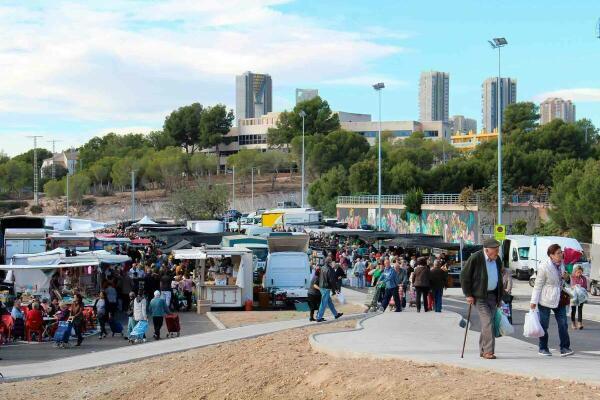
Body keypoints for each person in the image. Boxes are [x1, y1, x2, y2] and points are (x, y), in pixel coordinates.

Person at [460, 238, 503, 360]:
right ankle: (488, 352)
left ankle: (483, 350)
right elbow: (464, 276)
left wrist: (500, 297)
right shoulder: (476, 258)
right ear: (487, 250)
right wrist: (468, 294)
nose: (497, 253)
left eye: (498, 250)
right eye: (495, 250)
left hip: (493, 296)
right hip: (479, 296)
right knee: (488, 322)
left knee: (487, 325)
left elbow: (499, 277)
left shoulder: (497, 260)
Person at [530, 244, 573, 357]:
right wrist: (533, 301)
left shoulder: (562, 264)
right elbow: (538, 285)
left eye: (561, 252)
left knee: (563, 323)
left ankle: (565, 347)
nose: (561, 254)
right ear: (551, 255)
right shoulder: (544, 267)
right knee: (544, 324)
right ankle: (543, 348)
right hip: (545, 299)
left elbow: (565, 281)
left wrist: (566, 277)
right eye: (558, 253)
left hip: (559, 298)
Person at [570, 264, 588, 330]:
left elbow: (585, 287)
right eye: (578, 272)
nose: (579, 274)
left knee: (580, 310)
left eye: (580, 272)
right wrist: (574, 287)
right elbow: (569, 286)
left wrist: (581, 288)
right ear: (575, 271)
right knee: (573, 310)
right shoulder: (571, 277)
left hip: (581, 297)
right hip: (574, 296)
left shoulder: (583, 278)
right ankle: (573, 323)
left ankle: (579, 323)